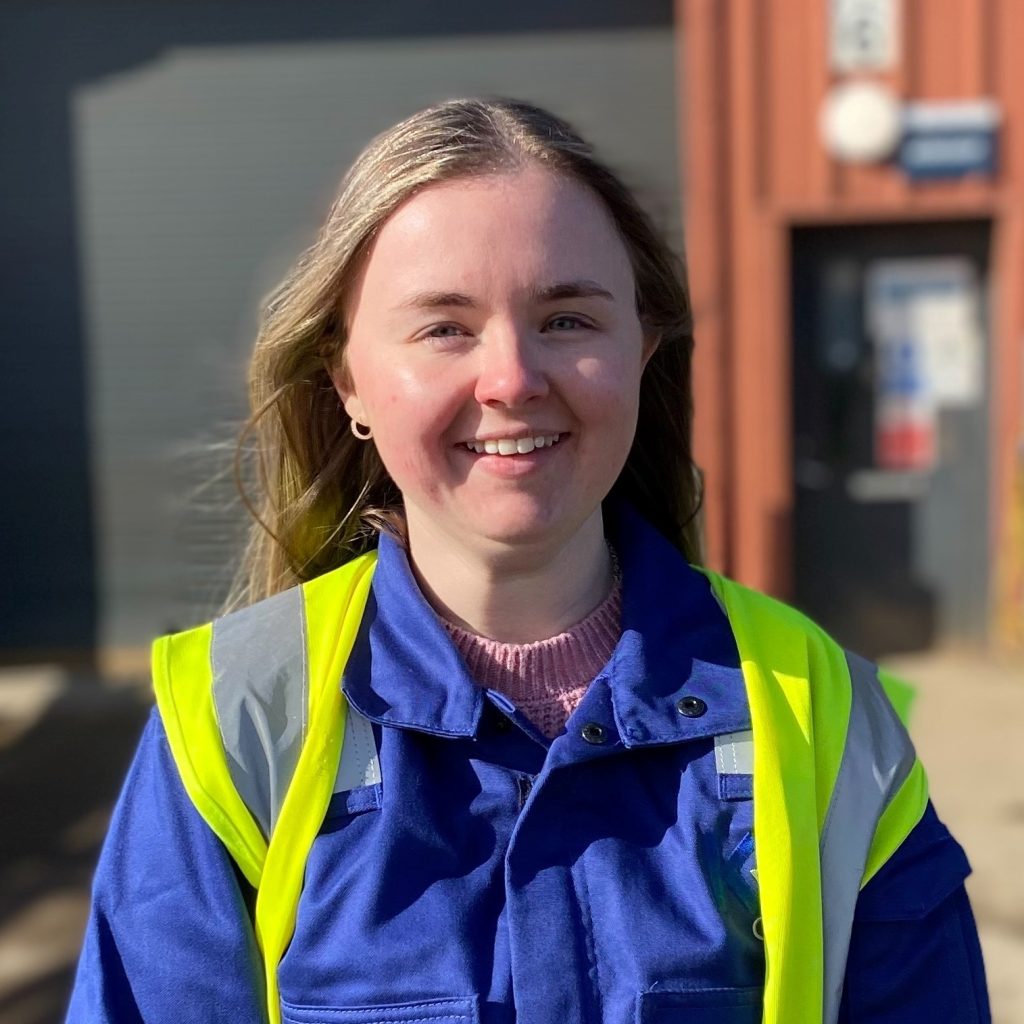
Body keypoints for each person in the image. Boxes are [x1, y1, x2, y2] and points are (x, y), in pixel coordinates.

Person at [67, 98, 990, 1024]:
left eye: (568, 320)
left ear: (642, 348)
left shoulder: (823, 713)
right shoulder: (231, 724)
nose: (511, 379)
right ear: (347, 379)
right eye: (444, 328)